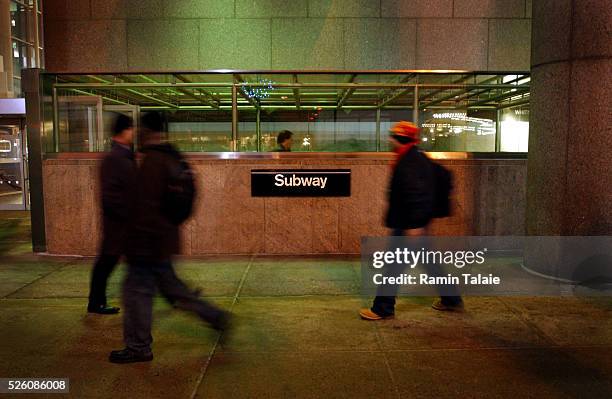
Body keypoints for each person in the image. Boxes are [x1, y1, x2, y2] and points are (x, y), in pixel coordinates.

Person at [109, 112, 231, 364]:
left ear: (147, 131)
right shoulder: (173, 156)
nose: (137, 133)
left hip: (147, 243)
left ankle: (138, 347)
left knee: (135, 294)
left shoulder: (153, 162)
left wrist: (133, 243)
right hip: (164, 239)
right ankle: (215, 316)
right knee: (174, 290)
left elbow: (146, 206)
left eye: (140, 129)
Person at [359, 121, 463, 321]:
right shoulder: (413, 155)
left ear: (400, 139)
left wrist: (415, 225)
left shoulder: (410, 161)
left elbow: (417, 194)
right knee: (429, 262)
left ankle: (382, 308)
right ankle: (451, 299)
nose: (389, 139)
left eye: (393, 136)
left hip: (408, 224)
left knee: (394, 266)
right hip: (413, 222)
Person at [87, 114, 135, 315]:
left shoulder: (120, 155)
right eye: (131, 129)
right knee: (106, 263)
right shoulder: (116, 158)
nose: (133, 133)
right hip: (118, 224)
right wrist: (128, 215)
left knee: (108, 263)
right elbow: (113, 196)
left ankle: (96, 302)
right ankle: (96, 303)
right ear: (124, 131)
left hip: (119, 223)